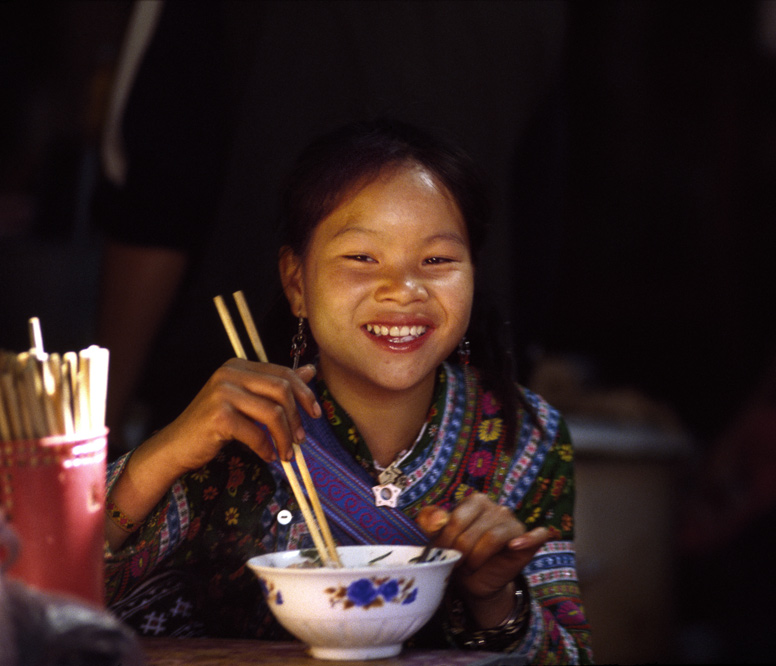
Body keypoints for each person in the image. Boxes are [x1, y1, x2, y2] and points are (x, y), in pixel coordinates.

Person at [101, 119, 592, 664]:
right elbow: (48, 603)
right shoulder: (231, 428)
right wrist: (161, 456)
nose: (403, 290)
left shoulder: (525, 436)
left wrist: (494, 596)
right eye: (362, 258)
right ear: (296, 283)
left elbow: (569, 659)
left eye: (437, 261)